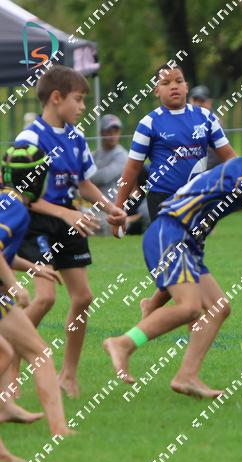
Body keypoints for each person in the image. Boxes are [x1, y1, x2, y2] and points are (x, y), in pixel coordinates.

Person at [103, 130, 242, 398]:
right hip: (170, 233)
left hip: (187, 241)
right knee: (190, 307)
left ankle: (186, 376)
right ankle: (124, 343)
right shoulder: (241, 166)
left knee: (218, 308)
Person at [12, 65, 127, 398]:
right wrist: (66, 213)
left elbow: (84, 183)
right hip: (36, 222)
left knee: (83, 297)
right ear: (56, 98)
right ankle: (9, 361)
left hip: (69, 220)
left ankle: (68, 376)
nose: (83, 107)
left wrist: (110, 208)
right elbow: (23, 196)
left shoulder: (76, 138)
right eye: (78, 99)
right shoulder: (30, 139)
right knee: (45, 297)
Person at [115, 65, 237, 316]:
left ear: (186, 86)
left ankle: (152, 306)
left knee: (189, 258)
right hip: (164, 200)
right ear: (156, 90)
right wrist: (118, 208)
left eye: (179, 81)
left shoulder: (206, 117)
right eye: (166, 82)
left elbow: (230, 158)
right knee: (179, 257)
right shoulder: (149, 123)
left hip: (196, 200)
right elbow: (131, 169)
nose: (174, 86)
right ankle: (189, 315)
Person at [0, 144, 75, 436]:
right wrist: (16, 285)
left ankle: (6, 408)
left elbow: (5, 254)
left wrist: (33, 267)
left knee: (7, 351)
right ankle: (59, 429)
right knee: (39, 354)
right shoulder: (15, 208)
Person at [91, 114, 146, 234]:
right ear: (101, 133)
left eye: (116, 131)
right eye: (109, 131)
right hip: (95, 207)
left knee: (102, 225)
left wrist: (88, 175)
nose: (113, 135)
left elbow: (102, 178)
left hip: (113, 208)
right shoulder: (96, 154)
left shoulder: (121, 155)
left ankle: (129, 222)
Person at [189, 85, 220, 171]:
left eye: (202, 101)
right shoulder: (187, 120)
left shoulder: (214, 122)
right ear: (190, 101)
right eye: (195, 100)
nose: (198, 104)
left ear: (209, 102)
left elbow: (214, 157)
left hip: (209, 172)